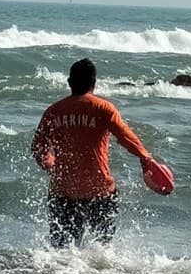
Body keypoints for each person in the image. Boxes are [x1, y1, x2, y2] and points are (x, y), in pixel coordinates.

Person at [31, 58, 154, 248]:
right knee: (102, 249)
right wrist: (146, 158)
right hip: (100, 192)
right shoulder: (103, 108)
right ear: (94, 84)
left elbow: (38, 149)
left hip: (63, 193)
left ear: (70, 83)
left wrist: (53, 168)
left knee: (61, 252)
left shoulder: (53, 111)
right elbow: (125, 137)